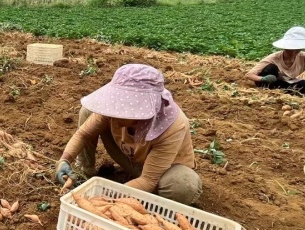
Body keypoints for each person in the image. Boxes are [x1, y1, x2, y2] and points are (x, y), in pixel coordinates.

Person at [55, 64, 202, 205]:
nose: (115, 112)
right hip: (131, 159)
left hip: (162, 173)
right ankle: (85, 173)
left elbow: (148, 180)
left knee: (183, 186)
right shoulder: (112, 111)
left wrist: (103, 200)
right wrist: (64, 160)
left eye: (123, 107)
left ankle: (152, 200)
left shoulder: (172, 125)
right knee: (88, 113)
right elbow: (84, 135)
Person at [246, 26, 305, 95]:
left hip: (286, 83)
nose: (293, 53)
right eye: (290, 49)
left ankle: (283, 91)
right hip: (270, 83)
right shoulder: (273, 58)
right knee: (271, 68)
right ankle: (275, 90)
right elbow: (249, 75)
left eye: (296, 50)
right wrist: (262, 78)